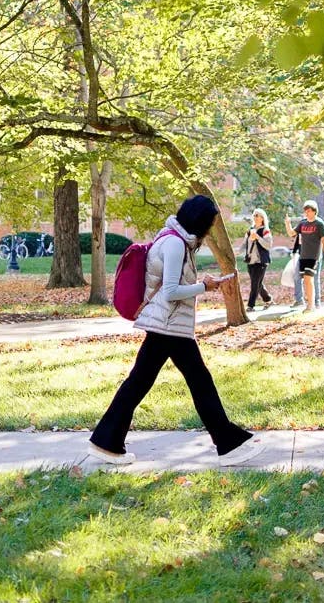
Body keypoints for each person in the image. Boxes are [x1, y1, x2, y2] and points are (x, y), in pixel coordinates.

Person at [88, 195, 264, 467]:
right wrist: (204, 287)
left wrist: (209, 284)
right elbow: (170, 292)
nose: (209, 229)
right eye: (209, 224)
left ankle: (106, 440)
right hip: (168, 325)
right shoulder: (174, 244)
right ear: (199, 222)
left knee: (142, 382)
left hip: (168, 325)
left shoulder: (175, 240)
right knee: (196, 381)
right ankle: (228, 442)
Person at [284, 199, 324, 312]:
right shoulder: (302, 223)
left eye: (309, 211)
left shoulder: (319, 224)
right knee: (306, 281)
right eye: (306, 211)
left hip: (314, 256)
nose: (307, 213)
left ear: (315, 211)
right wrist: (288, 223)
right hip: (303, 256)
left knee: (308, 279)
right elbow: (291, 233)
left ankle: (311, 306)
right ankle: (311, 304)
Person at [243, 208, 274, 311]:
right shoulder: (250, 230)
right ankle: (268, 299)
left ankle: (250, 306)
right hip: (250, 261)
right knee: (258, 283)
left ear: (262, 218)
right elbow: (244, 244)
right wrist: (236, 252)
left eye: (257, 215)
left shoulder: (265, 230)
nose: (255, 217)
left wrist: (258, 237)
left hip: (261, 261)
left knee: (254, 284)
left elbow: (268, 245)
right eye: (254, 215)